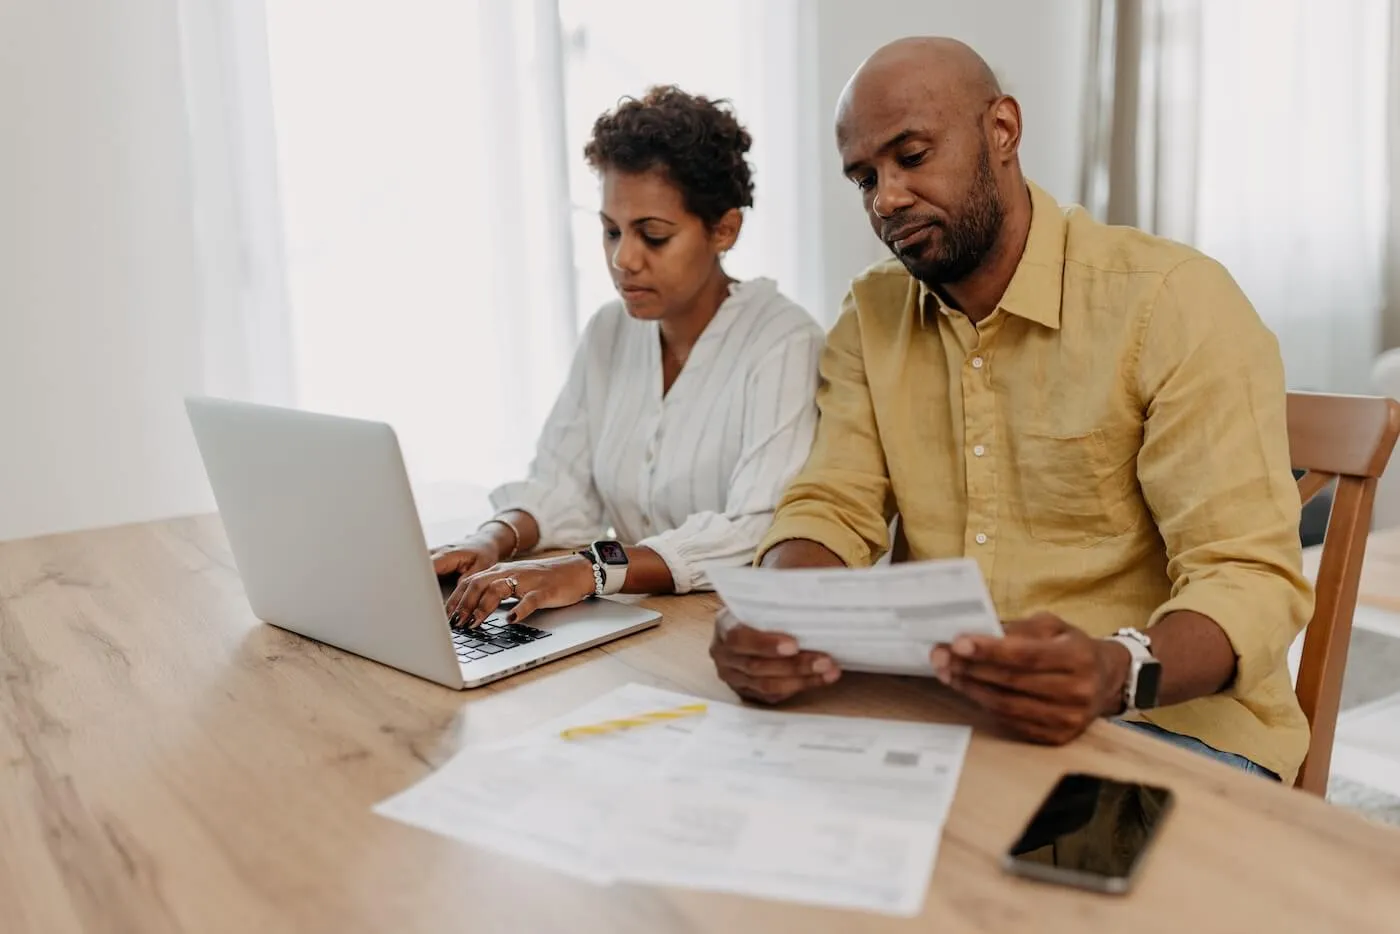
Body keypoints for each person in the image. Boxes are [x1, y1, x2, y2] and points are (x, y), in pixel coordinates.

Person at [709, 38, 1313, 783]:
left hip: (1167, 731)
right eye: (864, 177)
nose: (887, 198)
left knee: (1040, 894)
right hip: (952, 720)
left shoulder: (1170, 302)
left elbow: (1248, 577)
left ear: (1002, 131)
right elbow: (832, 503)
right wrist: (776, 615)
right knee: (764, 838)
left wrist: (1115, 669)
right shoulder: (871, 315)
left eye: (913, 155)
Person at [435, 86, 824, 628]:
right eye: (611, 231)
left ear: (724, 229)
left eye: (654, 235)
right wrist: (491, 539)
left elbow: (754, 529)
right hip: (635, 626)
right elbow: (560, 485)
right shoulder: (608, 332)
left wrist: (591, 569)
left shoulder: (784, 341)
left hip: (737, 632)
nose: (623, 259)